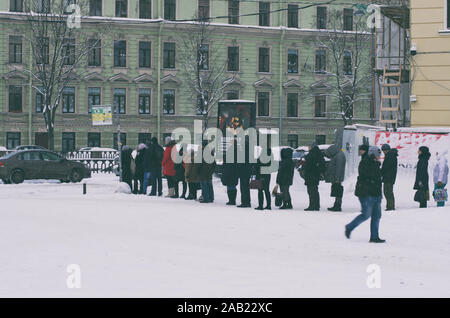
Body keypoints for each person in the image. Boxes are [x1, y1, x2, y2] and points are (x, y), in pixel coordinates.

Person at [345, 146, 385, 243]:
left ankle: (374, 237)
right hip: (366, 193)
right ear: (373, 154)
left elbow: (377, 179)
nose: (380, 156)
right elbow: (367, 176)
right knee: (366, 214)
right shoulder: (366, 162)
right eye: (378, 154)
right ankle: (350, 227)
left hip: (375, 193)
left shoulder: (376, 163)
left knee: (377, 215)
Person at [303, 142, 326, 211]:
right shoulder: (317, 153)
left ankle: (312, 205)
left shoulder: (312, 154)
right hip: (315, 175)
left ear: (312, 147)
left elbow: (309, 165)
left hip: (311, 175)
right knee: (314, 190)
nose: (308, 147)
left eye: (309, 146)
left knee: (311, 190)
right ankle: (316, 205)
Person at [324, 144, 346, 212]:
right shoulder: (338, 155)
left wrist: (337, 178)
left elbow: (339, 168)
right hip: (336, 177)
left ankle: (337, 206)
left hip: (337, 178)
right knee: (337, 191)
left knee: (338, 191)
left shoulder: (339, 156)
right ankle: (336, 205)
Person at [221, 138, 239, 205]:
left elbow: (225, 160)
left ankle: (231, 200)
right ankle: (233, 200)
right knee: (233, 185)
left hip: (229, 170)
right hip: (235, 171)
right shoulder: (238, 151)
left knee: (229, 186)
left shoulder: (230, 150)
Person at [380, 144, 398, 211]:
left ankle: (391, 206)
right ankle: (389, 206)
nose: (384, 152)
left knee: (388, 192)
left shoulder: (390, 156)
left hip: (389, 177)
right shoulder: (390, 156)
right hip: (388, 177)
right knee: (387, 191)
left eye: (384, 150)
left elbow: (386, 167)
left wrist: (381, 172)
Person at [236, 137, 253, 208]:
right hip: (247, 172)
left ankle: (244, 202)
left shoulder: (243, 153)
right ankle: (247, 202)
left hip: (243, 172)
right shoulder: (249, 153)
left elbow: (241, 163)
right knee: (246, 187)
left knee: (243, 187)